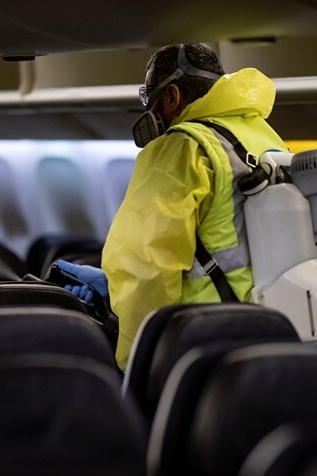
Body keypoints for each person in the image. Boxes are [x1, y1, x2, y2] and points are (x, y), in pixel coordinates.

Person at [59, 43, 287, 371]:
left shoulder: (181, 147)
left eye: (149, 96)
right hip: (276, 331)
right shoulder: (265, 138)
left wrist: (135, 364)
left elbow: (146, 270)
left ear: (171, 97)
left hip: (204, 344)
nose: (148, 108)